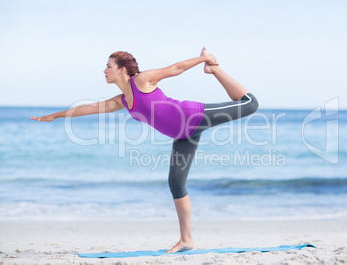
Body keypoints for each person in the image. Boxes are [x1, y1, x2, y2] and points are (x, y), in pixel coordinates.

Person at [31, 47, 259, 253]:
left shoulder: (142, 81)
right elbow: (90, 108)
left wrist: (204, 59)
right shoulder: (122, 100)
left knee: (250, 104)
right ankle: (186, 240)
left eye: (108, 66)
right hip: (183, 135)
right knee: (176, 184)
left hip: (194, 116)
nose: (104, 70)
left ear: (122, 70)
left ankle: (215, 70)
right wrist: (55, 115)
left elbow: (176, 69)